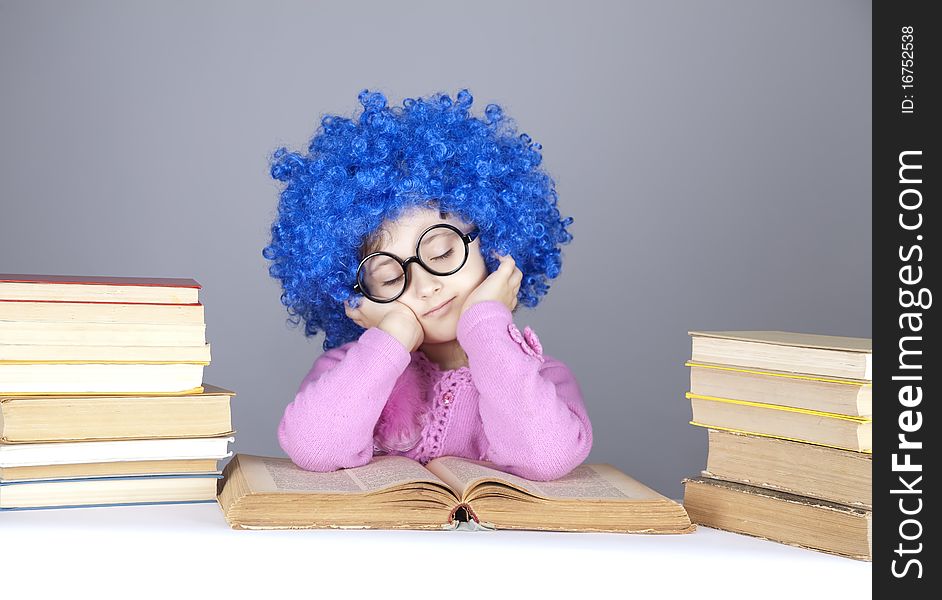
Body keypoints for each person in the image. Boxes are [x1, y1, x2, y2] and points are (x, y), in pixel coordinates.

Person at [263, 88, 592, 481]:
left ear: (493, 245)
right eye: (389, 278)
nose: (425, 285)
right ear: (355, 301)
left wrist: (487, 323)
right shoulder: (347, 371)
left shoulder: (539, 377)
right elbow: (315, 447)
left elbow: (546, 457)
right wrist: (393, 335)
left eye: (440, 254)